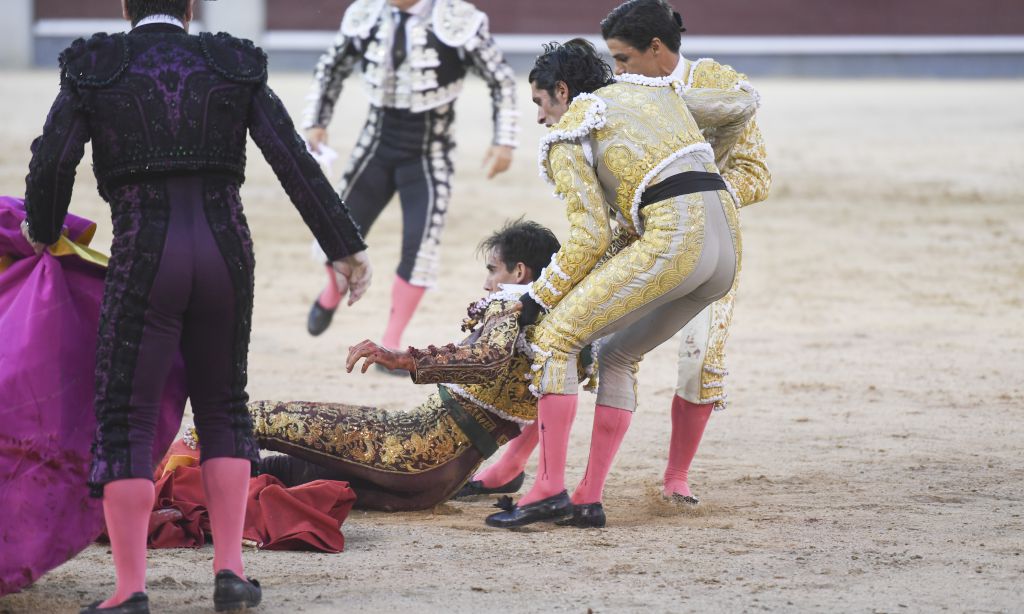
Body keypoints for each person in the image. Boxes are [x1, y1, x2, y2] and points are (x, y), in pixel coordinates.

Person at [20, 1, 371, 611]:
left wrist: (43, 228)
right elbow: (291, 156)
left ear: (126, 6)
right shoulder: (229, 61)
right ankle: (230, 572)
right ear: (190, 7)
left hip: (144, 254)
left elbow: (53, 158)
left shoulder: (96, 64)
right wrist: (343, 245)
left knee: (125, 417)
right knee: (223, 408)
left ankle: (130, 590)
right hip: (225, 252)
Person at [468, 0, 772, 509]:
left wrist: (534, 298)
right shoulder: (659, 98)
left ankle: (564, 487)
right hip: (718, 246)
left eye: (542, 103)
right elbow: (743, 103)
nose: (619, 72)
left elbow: (589, 235)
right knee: (612, 352)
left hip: (671, 238)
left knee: (557, 335)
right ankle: (581, 494)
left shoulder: (583, 121)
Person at [251, 220, 590, 511]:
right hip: (436, 481)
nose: (487, 282)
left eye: (492, 269)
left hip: (413, 448)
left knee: (260, 418)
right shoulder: (562, 331)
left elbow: (488, 360)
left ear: (518, 272)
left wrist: (403, 359)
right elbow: (542, 400)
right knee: (283, 472)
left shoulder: (512, 306)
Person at [601, 0, 771, 505]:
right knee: (582, 344)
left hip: (709, 241)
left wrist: (695, 203)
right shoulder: (621, 88)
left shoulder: (717, 83)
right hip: (634, 238)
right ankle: (524, 465)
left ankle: (676, 477)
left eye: (624, 58)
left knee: (701, 358)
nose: (617, 71)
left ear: (657, 48)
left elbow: (757, 175)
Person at [303, 0, 519, 363]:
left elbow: (501, 79)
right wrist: (316, 119)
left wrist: (505, 140)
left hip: (429, 153)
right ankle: (332, 290)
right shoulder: (366, 13)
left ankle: (391, 339)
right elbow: (331, 67)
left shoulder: (457, 19)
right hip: (375, 144)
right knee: (335, 226)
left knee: (419, 248)